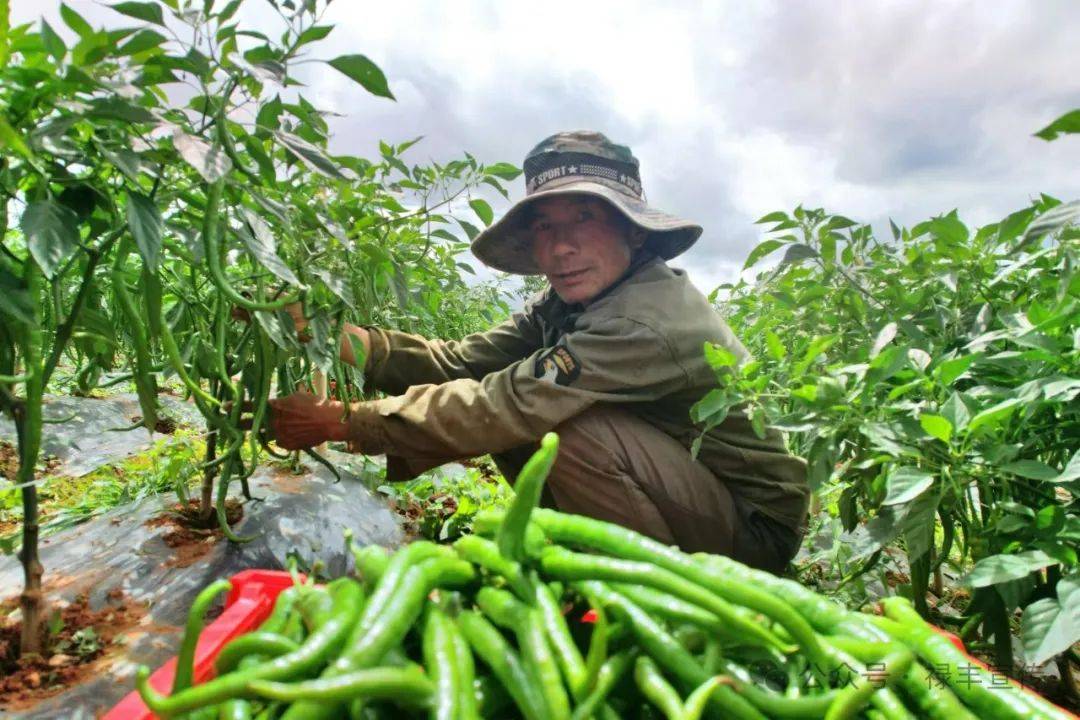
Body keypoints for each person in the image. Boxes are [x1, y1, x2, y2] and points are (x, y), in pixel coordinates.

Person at [267, 131, 809, 573]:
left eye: (583, 218)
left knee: (554, 427)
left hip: (751, 530)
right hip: (686, 492)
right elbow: (461, 362)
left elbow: (506, 403)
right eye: (544, 225)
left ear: (635, 233)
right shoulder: (566, 302)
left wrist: (343, 422)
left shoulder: (643, 317)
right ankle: (590, 567)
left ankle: (648, 594)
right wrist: (331, 333)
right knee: (539, 414)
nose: (559, 245)